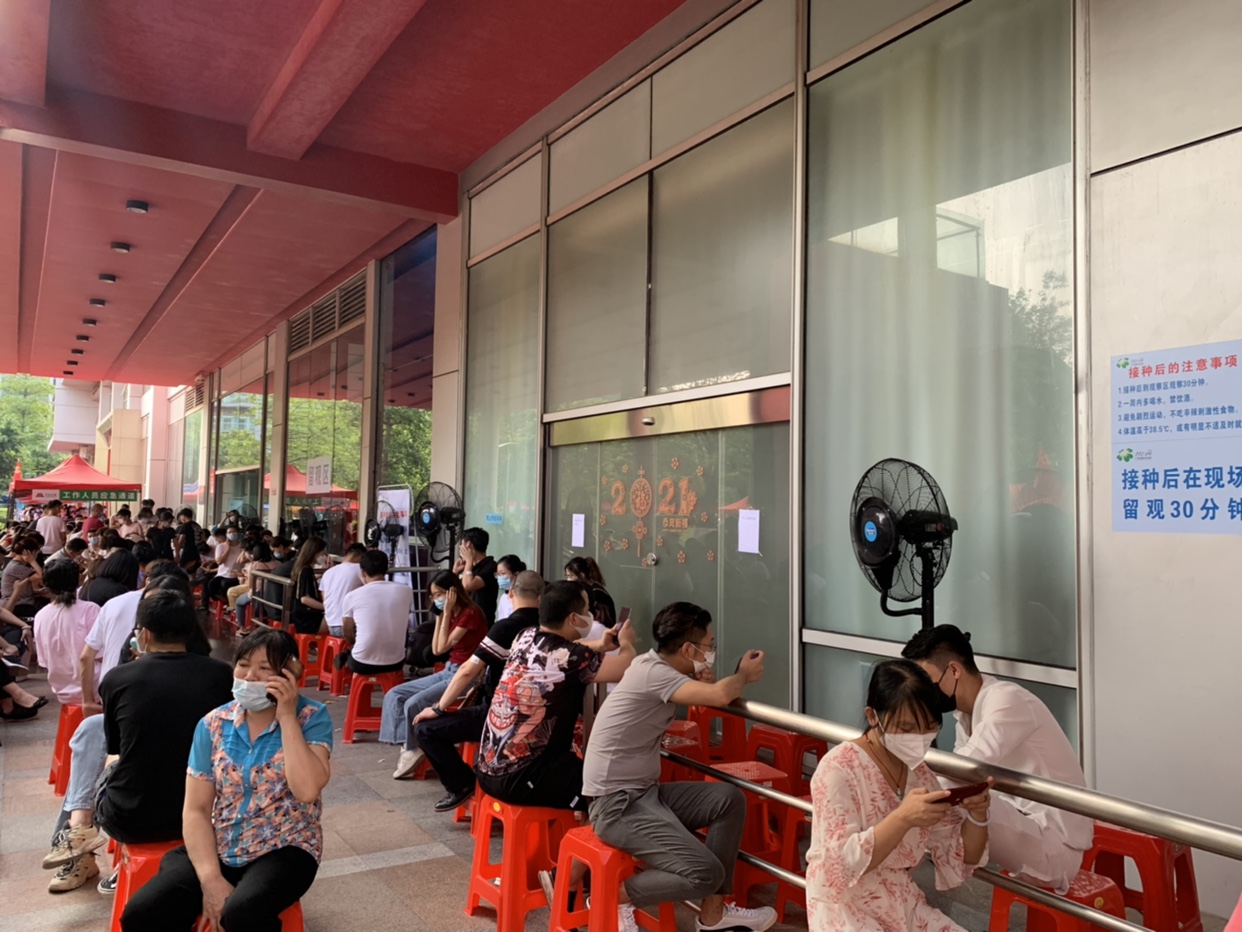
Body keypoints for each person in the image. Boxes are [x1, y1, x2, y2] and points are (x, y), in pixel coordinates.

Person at [119, 628, 332, 931]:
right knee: (143, 912)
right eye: (243, 665)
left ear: (289, 673)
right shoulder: (214, 723)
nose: (250, 676)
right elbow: (196, 809)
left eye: (264, 668)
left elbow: (307, 789)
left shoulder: (311, 716)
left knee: (243, 913)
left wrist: (286, 716)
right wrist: (211, 879)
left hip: (286, 846)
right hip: (223, 842)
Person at [580, 602, 775, 932]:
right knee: (705, 872)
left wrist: (695, 676)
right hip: (616, 805)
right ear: (688, 649)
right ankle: (614, 895)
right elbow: (720, 695)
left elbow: (709, 692)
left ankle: (714, 914)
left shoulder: (656, 667)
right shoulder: (652, 673)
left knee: (728, 799)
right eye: (709, 645)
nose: (711, 651)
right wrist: (743, 675)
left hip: (644, 794)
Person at [41, 589, 234, 894]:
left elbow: (116, 750)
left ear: (144, 635)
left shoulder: (118, 679)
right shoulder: (222, 674)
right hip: (211, 813)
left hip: (131, 818)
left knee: (102, 748)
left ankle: (80, 835)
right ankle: (93, 846)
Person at [804, 659, 991, 931]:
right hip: (845, 906)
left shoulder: (920, 774)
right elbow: (838, 867)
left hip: (902, 902)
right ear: (872, 716)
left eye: (928, 728)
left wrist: (978, 814)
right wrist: (903, 818)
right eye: (905, 729)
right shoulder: (839, 769)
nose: (918, 738)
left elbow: (964, 855)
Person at [902, 625, 1091, 892]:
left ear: (954, 670)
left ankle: (895, 879)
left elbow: (962, 771)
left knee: (942, 799)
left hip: (1056, 846)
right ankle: (898, 878)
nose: (923, 694)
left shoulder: (1006, 700)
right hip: (1024, 824)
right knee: (939, 804)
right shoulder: (966, 715)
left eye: (927, 683)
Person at [477, 580, 637, 814]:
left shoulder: (525, 635)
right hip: (525, 776)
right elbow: (626, 666)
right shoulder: (572, 658)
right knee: (611, 788)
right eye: (586, 610)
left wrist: (600, 645)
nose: (590, 615)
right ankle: (593, 828)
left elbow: (563, 651)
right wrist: (627, 643)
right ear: (574, 618)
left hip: (487, 770)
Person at [414, 569, 545, 812]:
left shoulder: (505, 628)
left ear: (511, 593)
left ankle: (462, 784)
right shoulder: (549, 629)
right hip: (540, 720)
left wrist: (439, 708)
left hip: (499, 717)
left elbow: (467, 671)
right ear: (542, 597)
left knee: (426, 729)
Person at [386, 570, 487, 778]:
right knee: (394, 694)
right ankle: (408, 745)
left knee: (413, 703)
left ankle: (412, 747)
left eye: (440, 594)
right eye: (434, 595)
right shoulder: (451, 614)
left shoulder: (470, 614)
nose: (437, 599)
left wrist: (446, 613)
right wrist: (441, 615)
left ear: (453, 592)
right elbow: (436, 649)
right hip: (449, 669)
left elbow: (441, 648)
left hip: (465, 675)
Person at [33, 560, 100, 707]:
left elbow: (44, 661)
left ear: (46, 585)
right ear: (78, 580)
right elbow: (101, 654)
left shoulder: (40, 616)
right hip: (94, 690)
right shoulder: (90, 609)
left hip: (62, 691)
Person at [339, 549, 411, 675]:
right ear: (386, 570)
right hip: (397, 661)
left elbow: (347, 631)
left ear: (362, 572)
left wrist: (355, 643)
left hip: (362, 663)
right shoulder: (406, 591)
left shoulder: (352, 596)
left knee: (347, 654)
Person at [453, 527, 499, 624]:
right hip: (466, 620)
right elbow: (458, 591)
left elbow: (468, 585)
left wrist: (469, 560)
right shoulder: (470, 567)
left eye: (462, 544)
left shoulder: (490, 566)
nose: (460, 548)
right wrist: (455, 572)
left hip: (481, 623)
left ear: (468, 545)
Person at [320, 542, 366, 637]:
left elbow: (325, 601)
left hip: (330, 625)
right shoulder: (359, 569)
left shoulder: (327, 573)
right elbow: (373, 587)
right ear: (360, 556)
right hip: (347, 627)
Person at [565, 555, 617, 628]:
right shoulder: (593, 590)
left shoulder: (596, 593)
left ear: (581, 575)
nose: (568, 580)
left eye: (570, 576)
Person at [288, 536, 327, 634]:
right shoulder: (306, 571)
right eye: (322, 552)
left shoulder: (301, 568)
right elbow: (305, 599)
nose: (324, 555)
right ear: (315, 553)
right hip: (308, 619)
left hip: (301, 615)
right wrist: (326, 607)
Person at [207, 526, 244, 606]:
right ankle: (226, 602)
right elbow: (219, 561)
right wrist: (228, 549)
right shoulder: (221, 546)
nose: (232, 534)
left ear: (238, 534)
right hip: (222, 574)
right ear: (226, 535)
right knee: (211, 585)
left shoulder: (242, 547)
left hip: (236, 575)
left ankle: (230, 604)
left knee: (225, 584)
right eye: (229, 532)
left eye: (234, 532)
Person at [493, 555, 525, 622]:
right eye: (498, 574)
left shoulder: (523, 597)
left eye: (503, 573)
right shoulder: (503, 597)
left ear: (516, 574)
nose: (500, 577)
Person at [173, 507, 202, 572]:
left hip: (188, 552)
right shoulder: (197, 525)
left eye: (180, 517)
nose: (180, 519)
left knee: (183, 571)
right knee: (193, 572)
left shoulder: (186, 526)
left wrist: (177, 554)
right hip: (197, 552)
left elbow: (180, 541)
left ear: (183, 516)